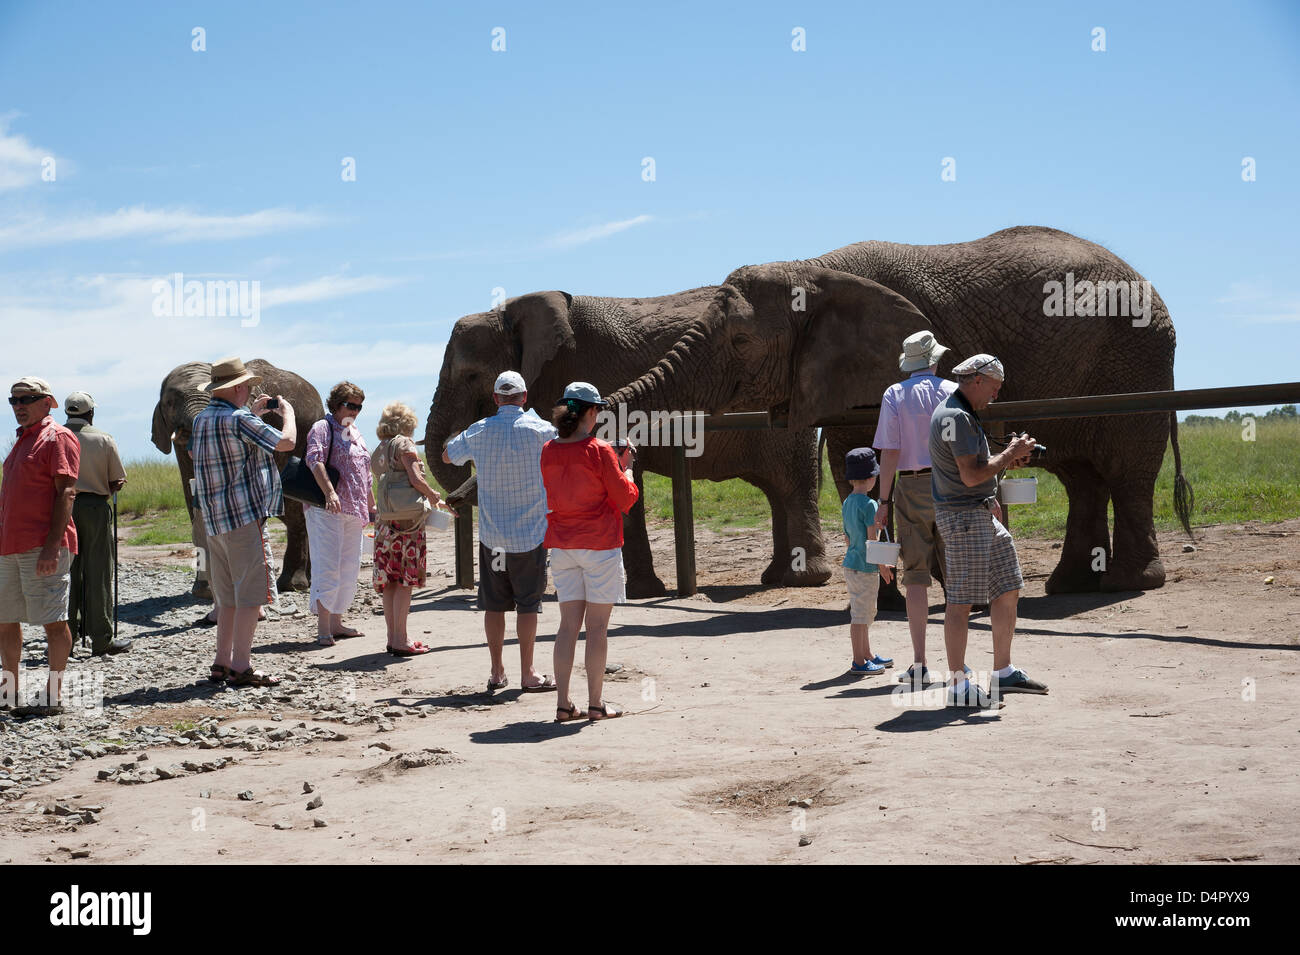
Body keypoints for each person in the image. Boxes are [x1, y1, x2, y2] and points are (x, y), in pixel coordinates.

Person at [929, 354, 1048, 708]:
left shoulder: (960, 412)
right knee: (961, 600)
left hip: (978, 513)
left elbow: (975, 471)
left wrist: (1005, 461)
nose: (995, 396)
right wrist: (1010, 453)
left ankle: (1002, 671)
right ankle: (957, 684)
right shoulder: (957, 416)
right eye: (994, 389)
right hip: (964, 517)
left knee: (1009, 586)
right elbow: (969, 475)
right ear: (977, 380)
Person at [442, 371, 558, 692]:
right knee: (528, 605)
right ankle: (529, 673)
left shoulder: (478, 431)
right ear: (524, 397)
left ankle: (496, 672)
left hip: (493, 540)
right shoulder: (542, 431)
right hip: (531, 537)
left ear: (495, 399)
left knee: (494, 605)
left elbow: (447, 455)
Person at [189, 357, 295, 687]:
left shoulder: (202, 419)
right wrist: (286, 415)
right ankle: (241, 666)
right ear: (236, 388)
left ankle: (221, 663)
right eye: (246, 387)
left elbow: (203, 453)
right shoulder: (239, 419)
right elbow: (286, 443)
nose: (249, 391)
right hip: (243, 518)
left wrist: (255, 415)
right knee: (250, 597)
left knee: (227, 598)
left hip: (215, 521)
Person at [540, 382, 639, 722]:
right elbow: (625, 498)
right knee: (597, 628)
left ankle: (564, 704)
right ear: (592, 412)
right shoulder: (599, 450)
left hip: (563, 545)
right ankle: (596, 704)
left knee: (568, 626)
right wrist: (627, 467)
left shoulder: (548, 449)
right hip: (599, 543)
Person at [872, 331, 956, 686]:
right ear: (934, 360)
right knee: (957, 576)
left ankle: (920, 662)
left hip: (910, 487)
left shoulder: (894, 394)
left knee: (916, 576)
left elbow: (889, 451)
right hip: (951, 485)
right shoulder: (953, 391)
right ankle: (958, 667)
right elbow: (966, 446)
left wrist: (884, 501)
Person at [0, 377, 79, 715]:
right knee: (5, 620)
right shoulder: (21, 441)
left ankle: (54, 694)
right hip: (9, 546)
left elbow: (66, 492)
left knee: (53, 620)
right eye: (13, 400)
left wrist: (51, 547)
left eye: (28, 399)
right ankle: (9, 690)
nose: (19, 406)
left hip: (44, 546)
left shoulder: (58, 436)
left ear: (48, 402)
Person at [372, 401, 445, 655]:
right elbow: (416, 478)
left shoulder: (380, 449)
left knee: (390, 581)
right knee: (405, 581)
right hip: (407, 525)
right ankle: (401, 639)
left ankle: (394, 637)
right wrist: (434, 495)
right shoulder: (404, 444)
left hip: (385, 523)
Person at [304, 382, 374, 647]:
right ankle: (323, 627)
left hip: (354, 511)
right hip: (327, 510)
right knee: (328, 566)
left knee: (349, 566)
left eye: (359, 406)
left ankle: (336, 622)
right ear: (336, 404)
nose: (355, 411)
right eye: (350, 405)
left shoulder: (356, 433)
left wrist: (371, 505)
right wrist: (330, 492)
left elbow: (365, 474)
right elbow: (314, 459)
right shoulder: (322, 427)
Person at [64, 392, 131, 656]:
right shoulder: (103, 438)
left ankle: (65, 639)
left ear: (68, 413)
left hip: (61, 509)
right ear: (91, 413)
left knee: (67, 573)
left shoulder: (55, 437)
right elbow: (116, 480)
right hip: (94, 508)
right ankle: (102, 639)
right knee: (99, 572)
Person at [841, 448, 895, 673]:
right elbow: (872, 541)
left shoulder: (848, 503)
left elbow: (847, 536)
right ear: (872, 478)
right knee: (860, 616)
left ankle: (867, 654)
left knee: (864, 612)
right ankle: (859, 662)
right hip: (865, 567)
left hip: (851, 563)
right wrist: (882, 566)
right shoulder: (870, 504)